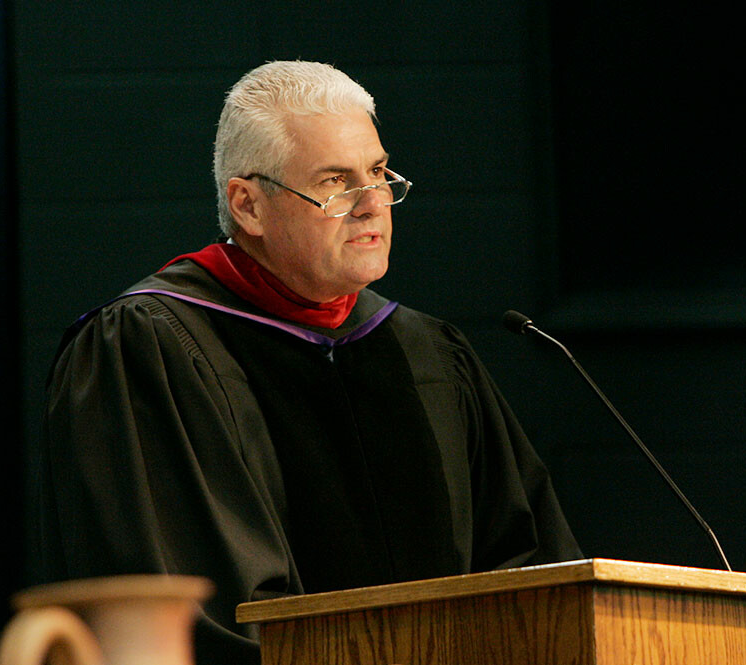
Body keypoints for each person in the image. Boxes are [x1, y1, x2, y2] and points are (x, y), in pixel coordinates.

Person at [35, 60, 581, 664]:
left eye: (378, 172)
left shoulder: (426, 352)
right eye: (336, 181)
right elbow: (196, 615)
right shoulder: (148, 348)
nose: (373, 204)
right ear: (247, 206)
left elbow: (532, 569)